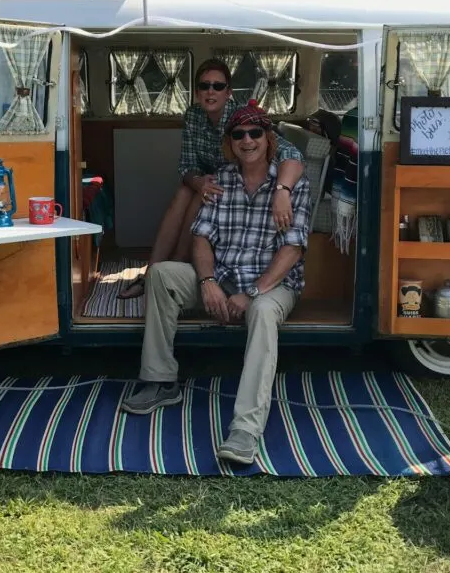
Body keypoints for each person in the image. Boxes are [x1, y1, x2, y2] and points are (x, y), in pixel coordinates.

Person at [119, 100, 312, 465]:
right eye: (239, 134)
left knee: (265, 312)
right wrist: (207, 281)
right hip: (221, 276)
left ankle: (245, 429)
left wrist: (251, 292)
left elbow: (293, 250)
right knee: (161, 274)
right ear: (230, 142)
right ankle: (161, 381)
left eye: (255, 132)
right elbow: (201, 237)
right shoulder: (220, 179)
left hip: (269, 284)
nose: (247, 140)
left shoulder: (291, 186)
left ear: (269, 139)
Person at [117, 58, 305, 299]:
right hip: (214, 186)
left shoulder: (242, 118)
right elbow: (187, 166)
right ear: (196, 92)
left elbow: (292, 153)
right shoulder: (193, 116)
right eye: (204, 86)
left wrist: (282, 189)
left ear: (228, 92)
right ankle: (153, 273)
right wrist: (199, 182)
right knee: (187, 190)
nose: (210, 91)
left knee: (200, 195)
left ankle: (171, 270)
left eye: (218, 86)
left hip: (240, 188)